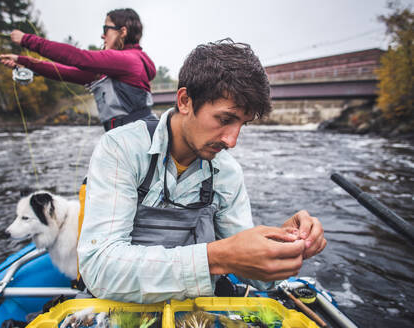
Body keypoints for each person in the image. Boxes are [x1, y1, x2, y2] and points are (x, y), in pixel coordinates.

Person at [77, 39, 327, 304]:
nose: (232, 141)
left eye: (243, 124)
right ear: (185, 101)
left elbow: (257, 278)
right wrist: (218, 257)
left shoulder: (227, 172)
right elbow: (100, 269)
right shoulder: (121, 148)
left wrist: (287, 245)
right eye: (225, 119)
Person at [0, 8, 156, 131]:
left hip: (136, 140)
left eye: (106, 28)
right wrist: (23, 61)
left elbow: (79, 58)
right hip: (128, 138)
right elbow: (66, 72)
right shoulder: (116, 67)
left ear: (122, 32)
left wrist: (27, 40)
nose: (102, 35)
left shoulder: (129, 60)